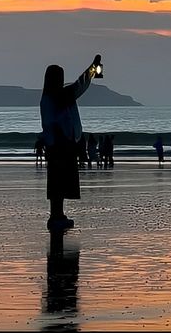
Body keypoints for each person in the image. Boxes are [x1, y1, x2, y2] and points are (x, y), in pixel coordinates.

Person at [39, 54, 102, 231]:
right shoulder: (57, 97)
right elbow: (79, 85)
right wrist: (92, 69)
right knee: (58, 183)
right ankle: (55, 216)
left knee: (59, 182)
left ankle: (58, 215)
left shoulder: (52, 97)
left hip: (58, 145)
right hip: (60, 145)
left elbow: (78, 86)